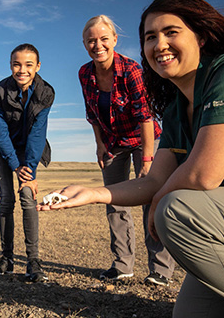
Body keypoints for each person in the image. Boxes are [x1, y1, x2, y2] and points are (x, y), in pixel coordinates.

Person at [39, 0, 224, 317]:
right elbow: (155, 179)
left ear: (201, 35)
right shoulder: (176, 110)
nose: (160, 44)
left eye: (171, 32)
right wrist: (95, 193)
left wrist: (158, 205)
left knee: (177, 209)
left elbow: (202, 174)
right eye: (150, 37)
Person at [79, 15, 175, 285]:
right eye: (91, 41)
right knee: (114, 201)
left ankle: (160, 270)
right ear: (85, 45)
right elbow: (91, 113)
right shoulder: (85, 73)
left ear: (114, 40)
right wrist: (99, 144)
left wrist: (147, 159)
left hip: (144, 139)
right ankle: (122, 265)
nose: (98, 45)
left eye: (103, 39)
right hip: (112, 143)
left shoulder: (131, 70)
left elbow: (146, 117)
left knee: (148, 199)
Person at [0, 43, 55, 283]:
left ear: (37, 66)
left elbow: (38, 133)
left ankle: (33, 261)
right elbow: (1, 132)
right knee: (6, 199)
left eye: (28, 64)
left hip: (28, 149)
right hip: (2, 147)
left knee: (28, 197)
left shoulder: (45, 92)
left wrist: (30, 170)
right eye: (16, 64)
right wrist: (16, 165)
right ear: (10, 65)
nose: (22, 70)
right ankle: (6, 259)